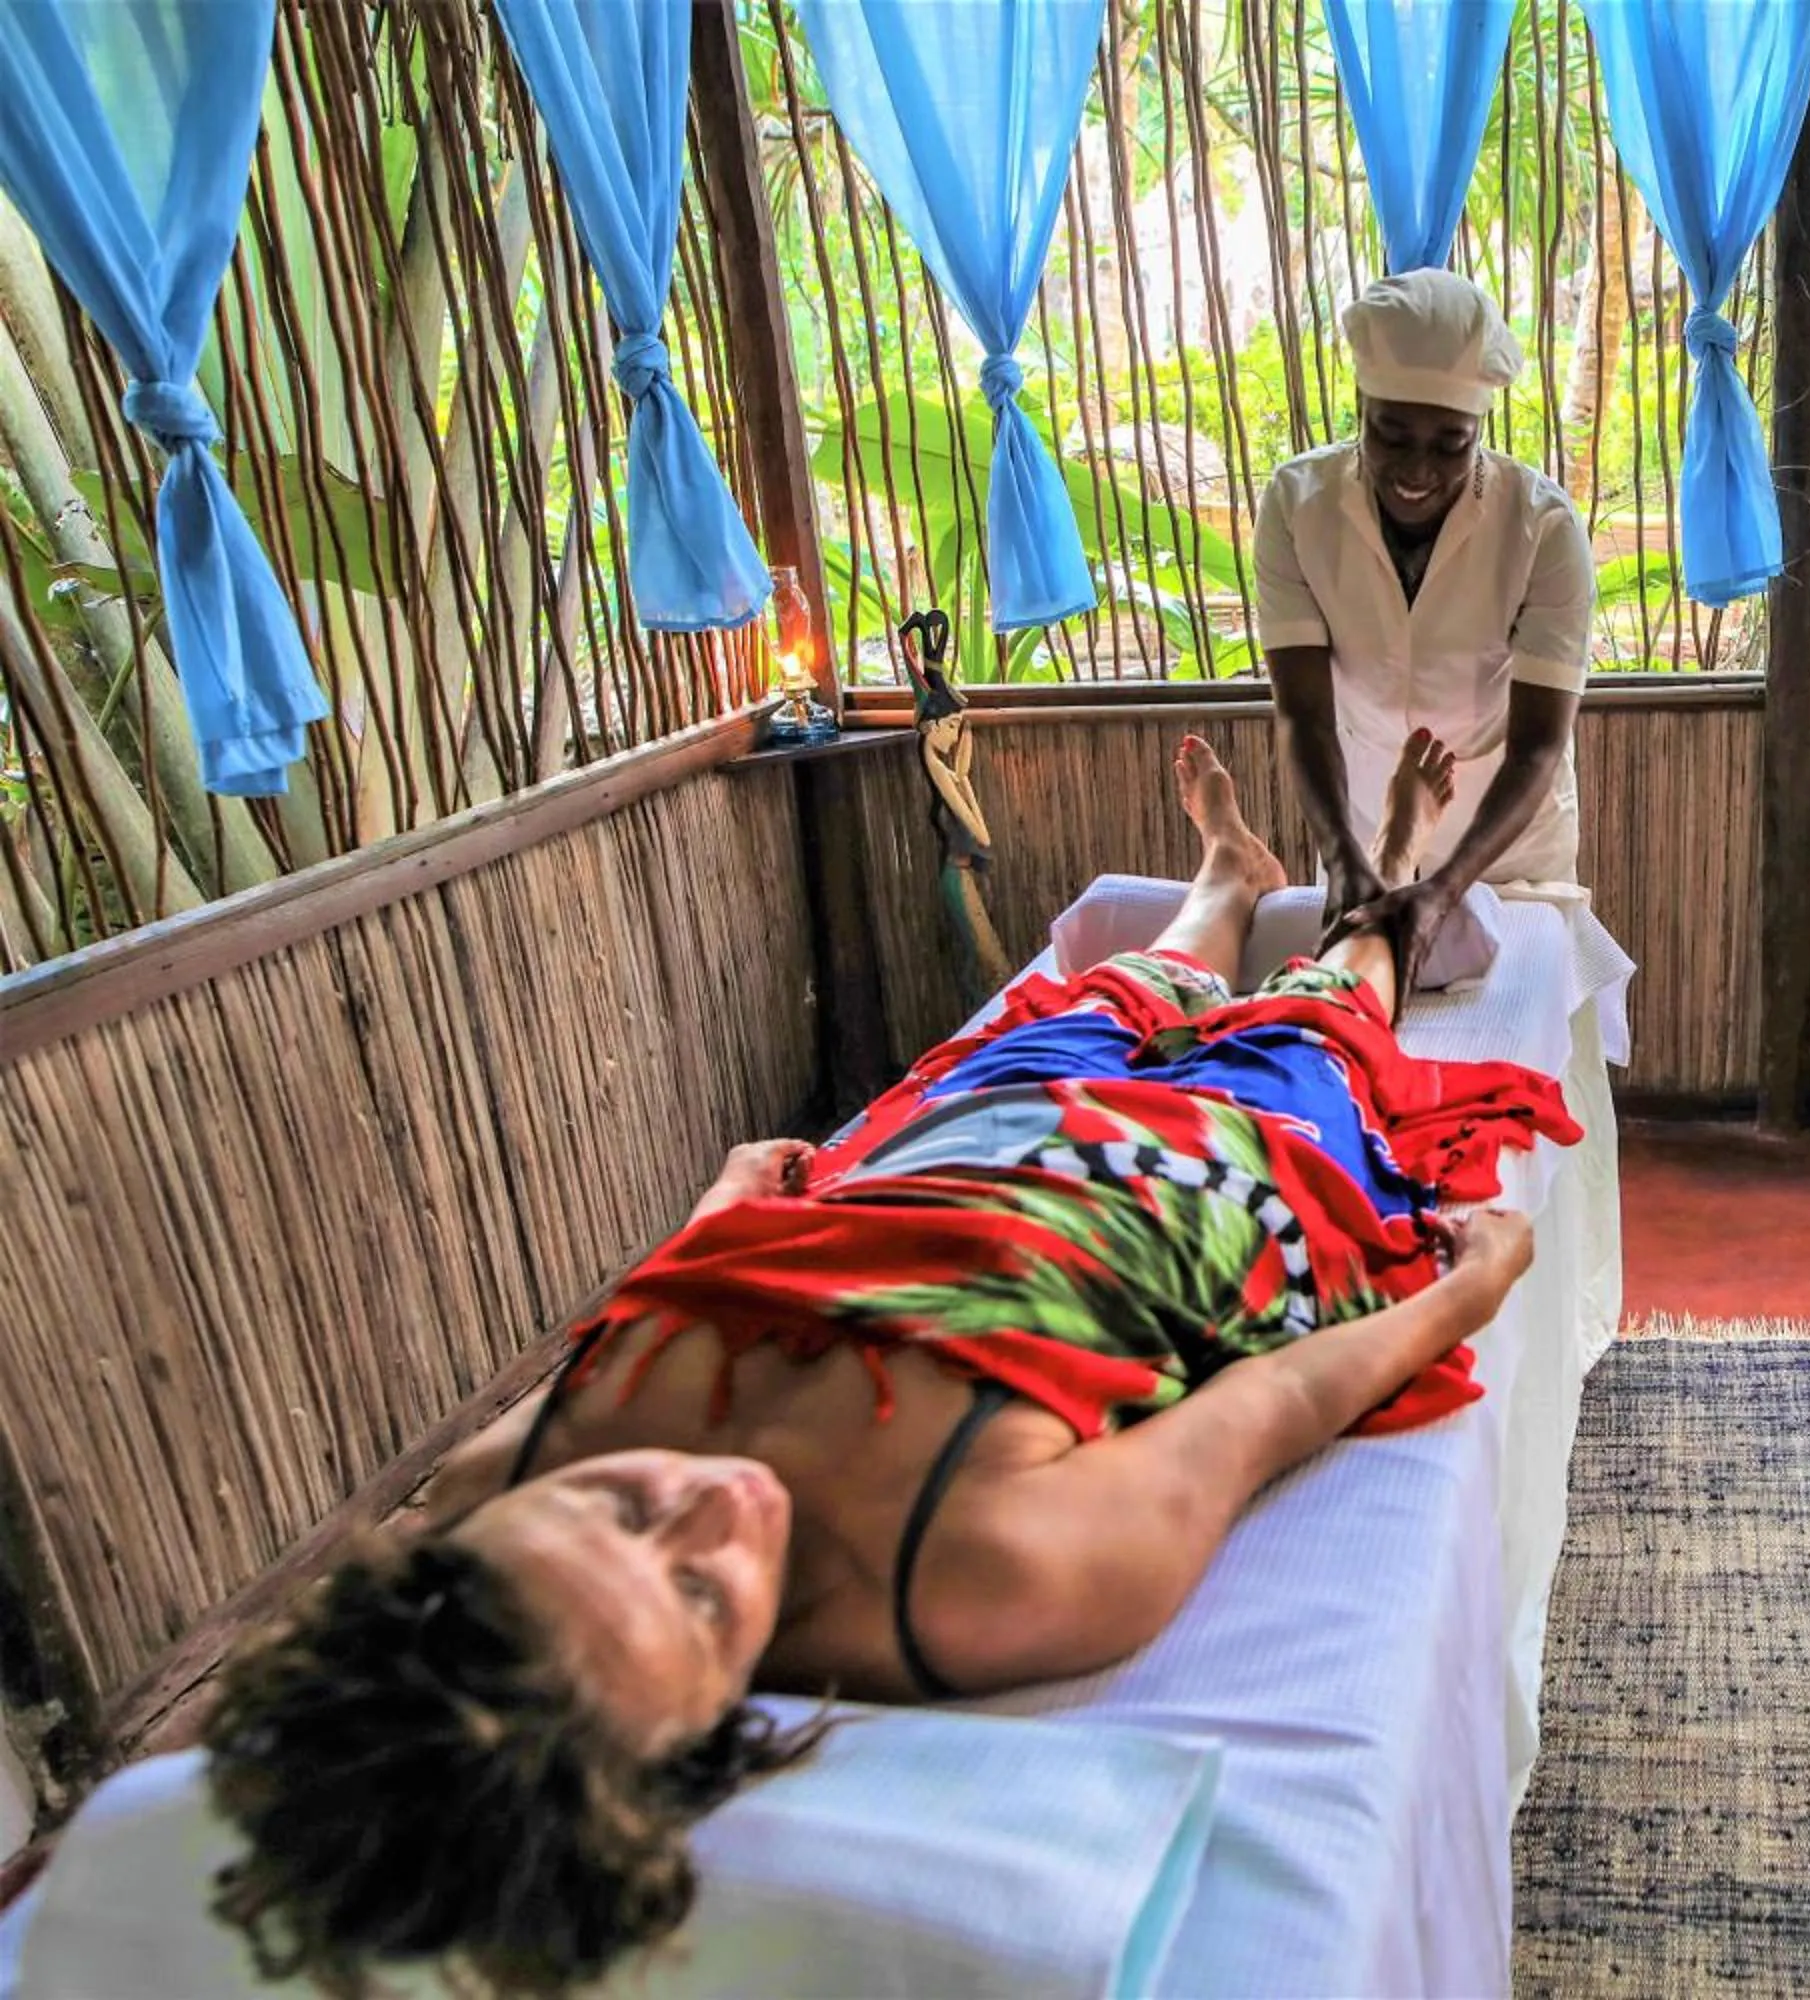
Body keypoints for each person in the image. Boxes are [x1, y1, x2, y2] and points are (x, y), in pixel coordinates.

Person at [198, 735, 1570, 1999]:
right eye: (697, 1595)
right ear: (702, 1741)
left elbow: (661, 1320)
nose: (709, 1500)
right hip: (1198, 1177)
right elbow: (1271, 1402)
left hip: (963, 1143)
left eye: (618, 1503)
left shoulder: (502, 1476)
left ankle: (1224, 878)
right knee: (1325, 1016)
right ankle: (1378, 891)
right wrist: (1469, 1291)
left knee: (1123, 989)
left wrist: (718, 1216)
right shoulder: (985, 1574)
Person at [1258, 267, 1596, 973]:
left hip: (1509, 851)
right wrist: (1346, 862)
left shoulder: (1541, 527)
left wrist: (1445, 890)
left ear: (1480, 428)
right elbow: (1304, 715)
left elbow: (1537, 743)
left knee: (1520, 1049)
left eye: (1450, 443)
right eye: (1391, 434)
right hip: (1364, 840)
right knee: (1368, 1029)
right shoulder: (1299, 507)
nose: (1417, 468)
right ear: (1361, 407)